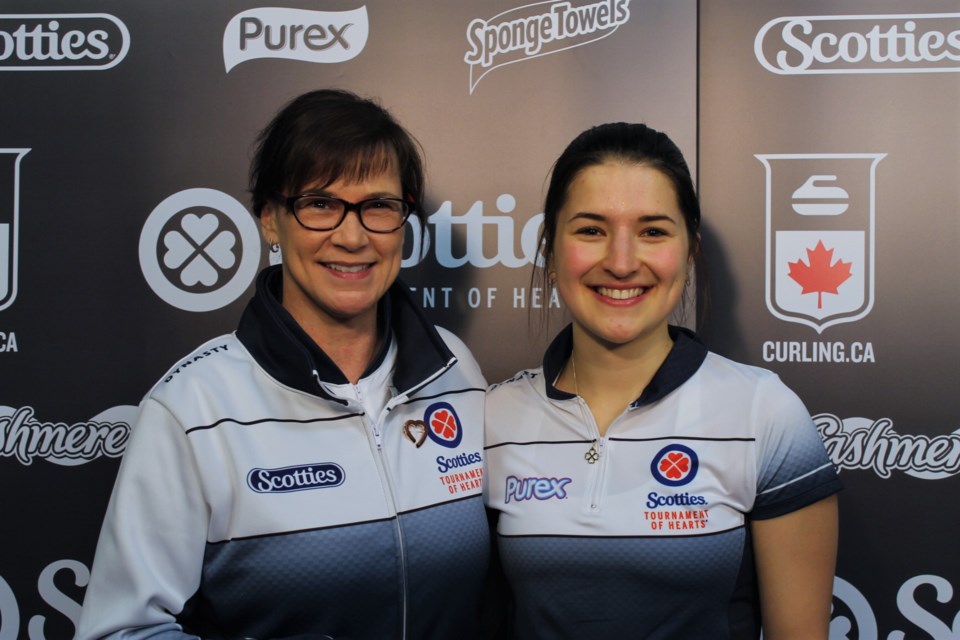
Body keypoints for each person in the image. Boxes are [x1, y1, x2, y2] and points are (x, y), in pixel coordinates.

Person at [77, 89, 490, 639]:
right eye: (320, 203)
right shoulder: (194, 406)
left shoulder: (456, 369)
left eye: (378, 206)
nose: (352, 235)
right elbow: (121, 631)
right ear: (270, 219)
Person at [483, 122, 841, 639]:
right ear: (551, 252)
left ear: (689, 253)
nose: (622, 262)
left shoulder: (764, 413)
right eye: (591, 230)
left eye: (653, 231)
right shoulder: (493, 418)